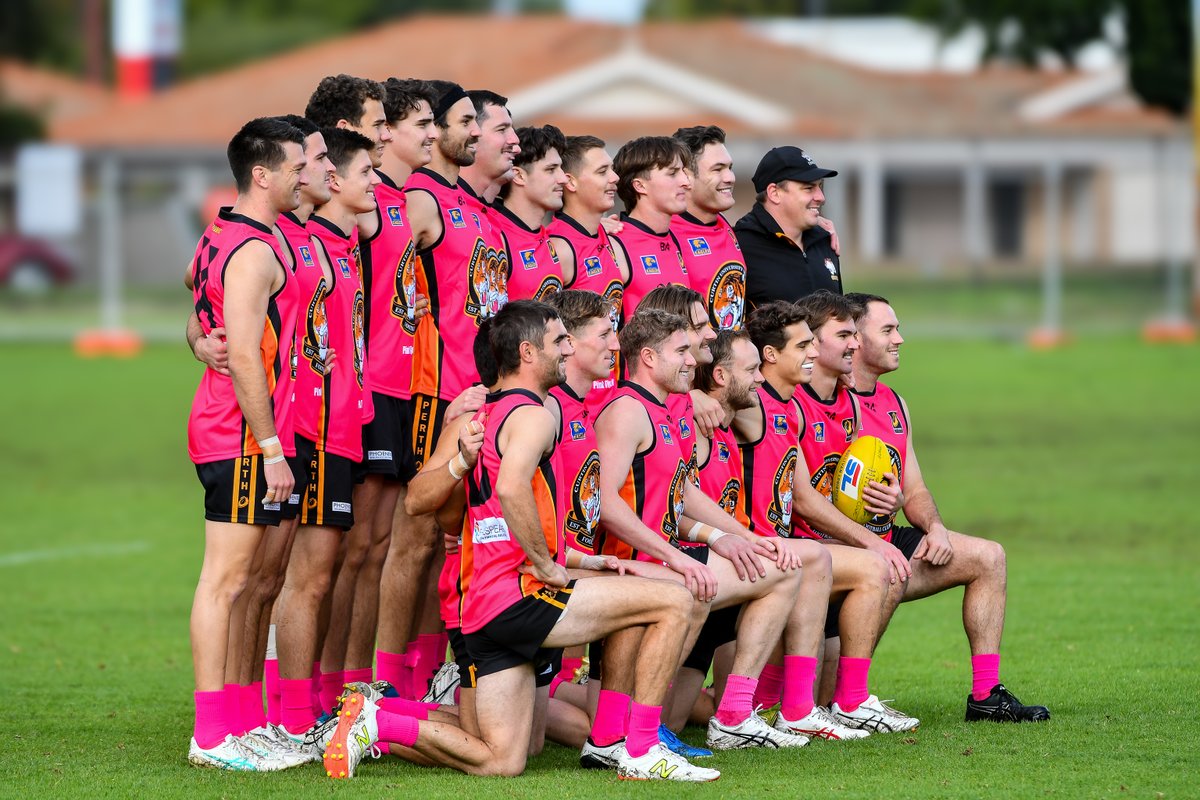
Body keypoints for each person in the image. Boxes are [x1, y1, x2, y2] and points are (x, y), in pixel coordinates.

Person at [324, 301, 719, 782]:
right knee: (673, 600)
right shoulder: (533, 415)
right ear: (528, 353)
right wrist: (546, 565)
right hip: (515, 595)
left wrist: (581, 559)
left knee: (504, 757)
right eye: (560, 342)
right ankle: (637, 748)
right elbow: (506, 489)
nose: (568, 349)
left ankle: (375, 720)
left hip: (482, 599)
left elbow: (422, 499)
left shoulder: (479, 412)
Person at [594, 307, 820, 752]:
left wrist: (737, 535)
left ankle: (712, 716)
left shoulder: (663, 409)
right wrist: (678, 556)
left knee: (776, 565)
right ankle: (637, 735)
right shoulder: (627, 410)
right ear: (648, 358)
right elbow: (604, 502)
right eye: (682, 351)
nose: (691, 361)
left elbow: (681, 495)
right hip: (629, 562)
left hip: (661, 554)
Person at [845, 292, 1050, 723]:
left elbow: (913, 489)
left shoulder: (895, 404)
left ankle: (985, 695)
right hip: (842, 550)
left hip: (889, 542)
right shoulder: (826, 401)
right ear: (856, 339)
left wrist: (935, 528)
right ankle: (850, 700)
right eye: (888, 330)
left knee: (988, 557)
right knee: (888, 570)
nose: (900, 338)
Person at [185, 116, 307, 770]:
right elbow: (247, 359)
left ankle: (232, 724)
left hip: (230, 428)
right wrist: (271, 447)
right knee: (225, 581)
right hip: (235, 433)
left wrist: (195, 339)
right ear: (263, 174)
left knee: (241, 582)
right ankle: (211, 737)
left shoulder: (224, 233)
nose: (303, 177)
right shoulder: (254, 250)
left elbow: (194, 296)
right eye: (294, 167)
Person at [788, 291, 918, 733]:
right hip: (788, 542)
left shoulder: (852, 403)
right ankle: (826, 704)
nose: (852, 345)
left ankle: (843, 699)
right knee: (875, 567)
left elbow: (854, 482)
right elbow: (803, 499)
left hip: (826, 543)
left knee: (884, 568)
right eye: (843, 335)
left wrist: (890, 498)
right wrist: (870, 542)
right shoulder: (790, 403)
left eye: (852, 334)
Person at [547, 135, 625, 398]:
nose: (614, 178)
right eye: (603, 171)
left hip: (610, 395)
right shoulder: (558, 246)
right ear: (570, 181)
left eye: (612, 169)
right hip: (572, 400)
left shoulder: (610, 237)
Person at [735, 146, 841, 308]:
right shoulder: (740, 246)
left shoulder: (825, 239)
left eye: (820, 186)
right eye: (808, 188)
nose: (821, 197)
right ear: (774, 193)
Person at [671, 126, 746, 332]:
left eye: (730, 167)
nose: (730, 177)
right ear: (686, 175)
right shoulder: (665, 233)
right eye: (717, 169)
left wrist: (815, 227)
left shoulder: (728, 226)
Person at [609, 136, 692, 326]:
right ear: (640, 185)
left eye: (683, 172)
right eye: (672, 173)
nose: (686, 182)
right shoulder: (614, 244)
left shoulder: (678, 238)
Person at [494, 124, 569, 301]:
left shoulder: (544, 235)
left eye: (561, 168)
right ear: (519, 176)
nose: (563, 178)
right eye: (550, 170)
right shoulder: (494, 233)